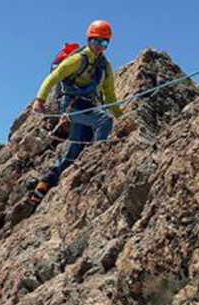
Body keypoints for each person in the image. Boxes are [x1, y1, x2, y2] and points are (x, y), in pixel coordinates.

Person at [31, 20, 122, 200]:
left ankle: (44, 184)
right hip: (72, 106)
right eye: (96, 41)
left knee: (74, 151)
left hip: (87, 106)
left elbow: (109, 94)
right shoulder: (78, 59)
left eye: (104, 43)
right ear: (89, 40)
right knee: (104, 120)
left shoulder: (105, 65)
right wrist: (40, 99)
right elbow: (54, 77)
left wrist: (121, 116)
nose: (99, 46)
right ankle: (99, 158)